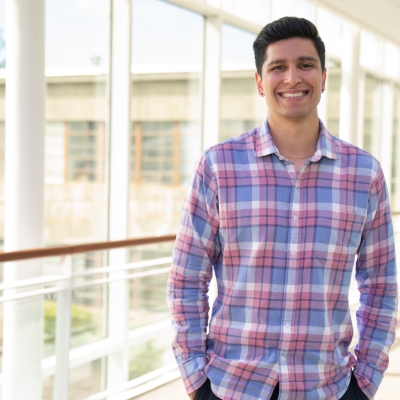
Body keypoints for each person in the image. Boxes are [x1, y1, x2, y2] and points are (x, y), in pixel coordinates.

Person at [167, 16, 398, 400]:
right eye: (278, 67)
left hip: (327, 388)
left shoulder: (365, 174)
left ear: (323, 77)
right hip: (231, 387)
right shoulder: (219, 167)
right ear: (260, 83)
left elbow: (381, 287)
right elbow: (187, 279)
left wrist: (366, 380)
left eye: (305, 65)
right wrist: (195, 380)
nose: (292, 78)